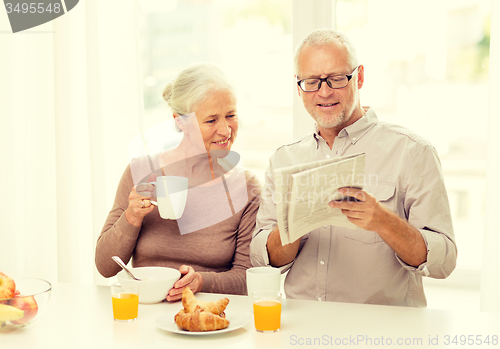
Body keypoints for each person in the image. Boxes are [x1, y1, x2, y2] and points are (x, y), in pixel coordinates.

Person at [250, 29, 457, 307]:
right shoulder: (283, 160)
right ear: (298, 87)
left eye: (336, 79)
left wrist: (384, 222)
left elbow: (444, 262)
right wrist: (294, 225)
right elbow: (263, 260)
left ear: (358, 77)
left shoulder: (412, 152)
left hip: (380, 333)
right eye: (311, 82)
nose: (324, 92)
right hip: (300, 329)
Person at [96, 63, 261, 301]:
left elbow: (247, 278)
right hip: (145, 313)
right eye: (211, 120)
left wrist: (202, 282)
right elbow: (105, 267)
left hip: (209, 317)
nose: (226, 130)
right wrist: (131, 218)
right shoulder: (140, 171)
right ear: (180, 121)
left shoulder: (246, 187)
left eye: (231, 116)